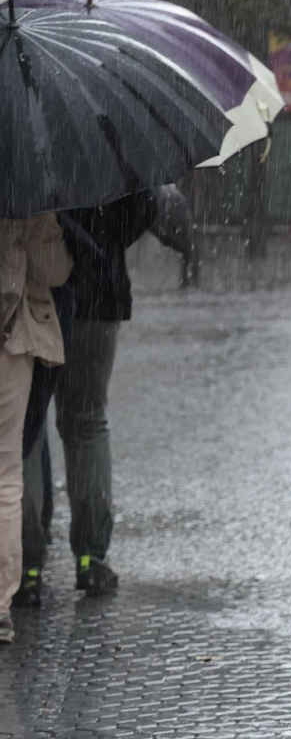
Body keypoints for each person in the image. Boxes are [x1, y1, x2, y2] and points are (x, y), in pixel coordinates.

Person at [40, 190, 158, 598]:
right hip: (98, 293)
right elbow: (147, 207)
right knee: (87, 424)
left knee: (24, 429)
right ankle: (91, 557)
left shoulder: (23, 137)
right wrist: (101, 241)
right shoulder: (111, 132)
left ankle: (24, 567)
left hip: (37, 293)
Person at [0, 214, 73, 643]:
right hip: (13, 340)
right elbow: (56, 270)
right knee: (7, 472)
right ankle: (1, 606)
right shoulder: (29, 189)